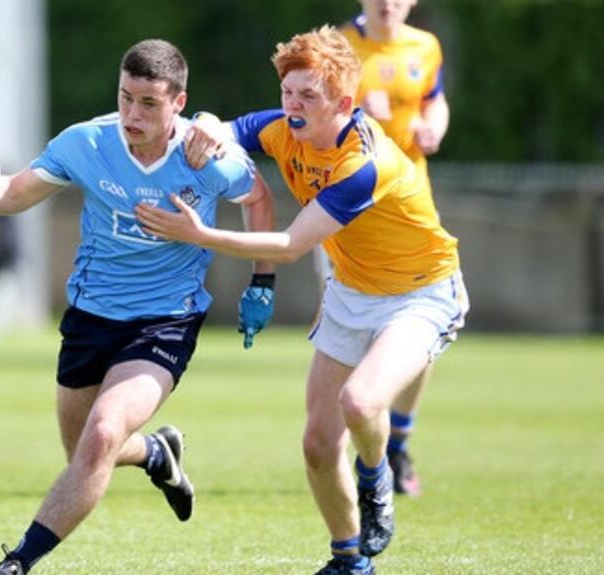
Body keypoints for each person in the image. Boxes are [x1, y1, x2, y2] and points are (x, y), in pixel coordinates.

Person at [0, 39, 275, 574]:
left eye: (149, 103)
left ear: (179, 102)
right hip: (91, 316)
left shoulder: (207, 158)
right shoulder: (86, 143)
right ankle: (154, 453)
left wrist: (262, 280)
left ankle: (17, 563)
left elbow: (259, 196)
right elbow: (12, 193)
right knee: (86, 450)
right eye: (126, 97)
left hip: (165, 321)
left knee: (102, 435)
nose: (132, 113)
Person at [136, 26, 468, 575]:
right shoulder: (282, 126)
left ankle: (376, 476)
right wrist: (209, 127)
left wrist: (200, 234)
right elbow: (234, 128)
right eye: (288, 92)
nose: (291, 106)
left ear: (344, 101)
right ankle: (349, 561)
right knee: (317, 443)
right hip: (351, 290)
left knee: (361, 403)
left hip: (420, 293)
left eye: (307, 96)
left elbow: (291, 244)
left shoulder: (366, 165)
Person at [338, 0, 451, 497]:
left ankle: (397, 441)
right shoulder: (339, 45)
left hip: (410, 208)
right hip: (349, 210)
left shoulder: (425, 46)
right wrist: (359, 110)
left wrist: (435, 126)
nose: (387, 3)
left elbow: (434, 98)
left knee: (418, 332)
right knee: (358, 326)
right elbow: (310, 114)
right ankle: (356, 446)